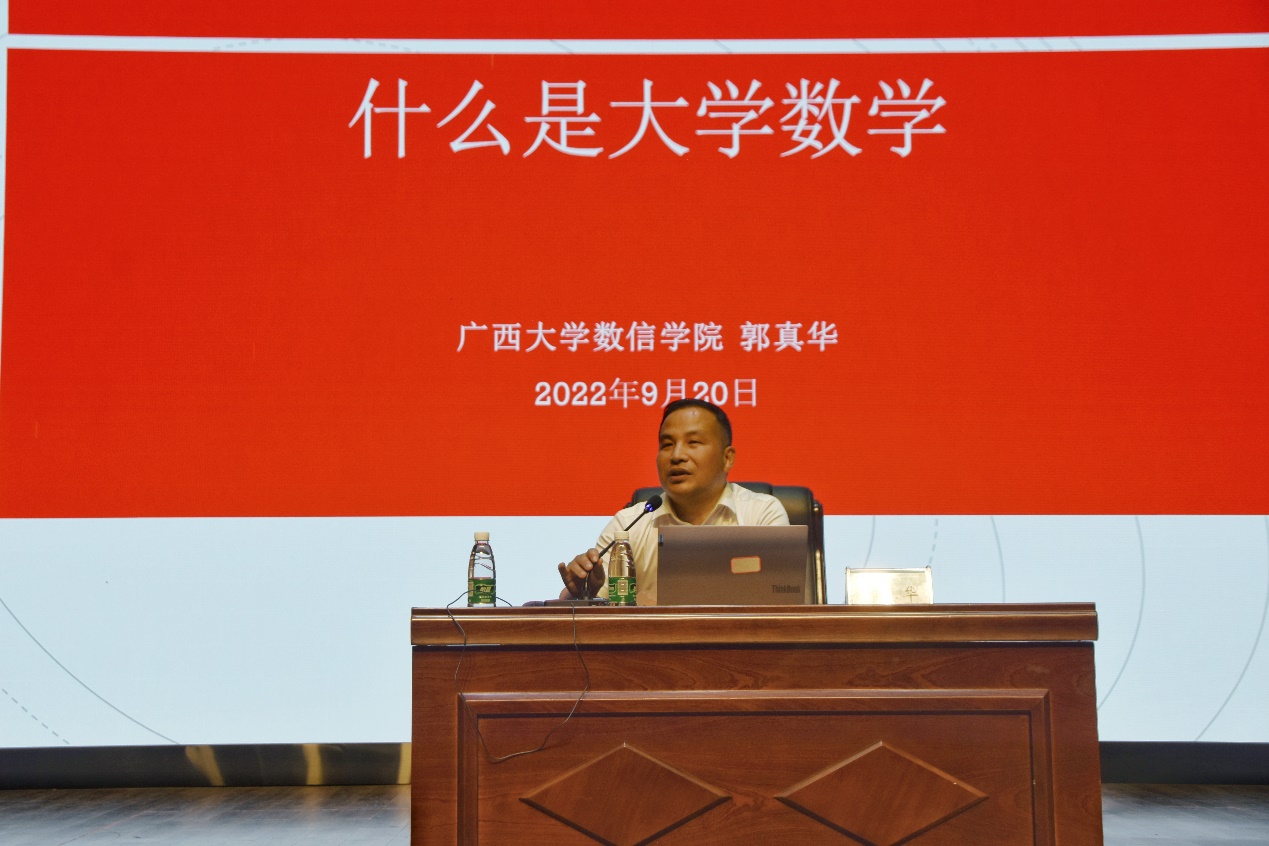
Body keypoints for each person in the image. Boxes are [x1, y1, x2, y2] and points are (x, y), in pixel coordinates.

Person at [557, 398, 789, 605]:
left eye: (693, 442)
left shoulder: (761, 514)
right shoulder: (629, 524)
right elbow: (592, 611)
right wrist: (585, 593)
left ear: (727, 458)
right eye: (667, 444)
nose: (677, 455)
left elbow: (779, 604)